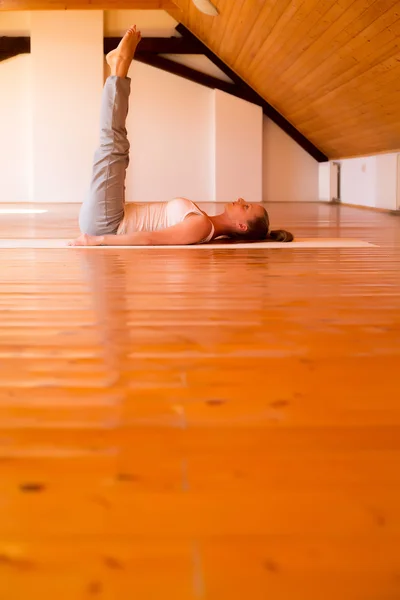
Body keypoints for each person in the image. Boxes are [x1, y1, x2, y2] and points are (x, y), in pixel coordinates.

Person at [70, 26, 293, 247]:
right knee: (116, 148)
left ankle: (120, 67)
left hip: (107, 224)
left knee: (114, 147)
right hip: (111, 216)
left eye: (246, 208)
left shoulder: (201, 227)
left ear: (242, 226)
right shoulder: (203, 221)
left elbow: (150, 239)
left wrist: (96, 240)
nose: (242, 200)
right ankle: (117, 68)